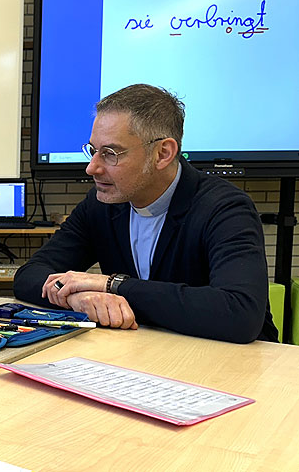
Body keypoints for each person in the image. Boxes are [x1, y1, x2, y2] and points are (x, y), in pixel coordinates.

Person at [14, 84, 278, 344]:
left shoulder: (224, 207)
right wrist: (75, 297)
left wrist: (112, 285)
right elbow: (29, 275)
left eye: (110, 154)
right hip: (147, 354)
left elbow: (240, 314)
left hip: (234, 367)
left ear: (163, 153)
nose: (91, 168)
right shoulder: (100, 206)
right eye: (93, 151)